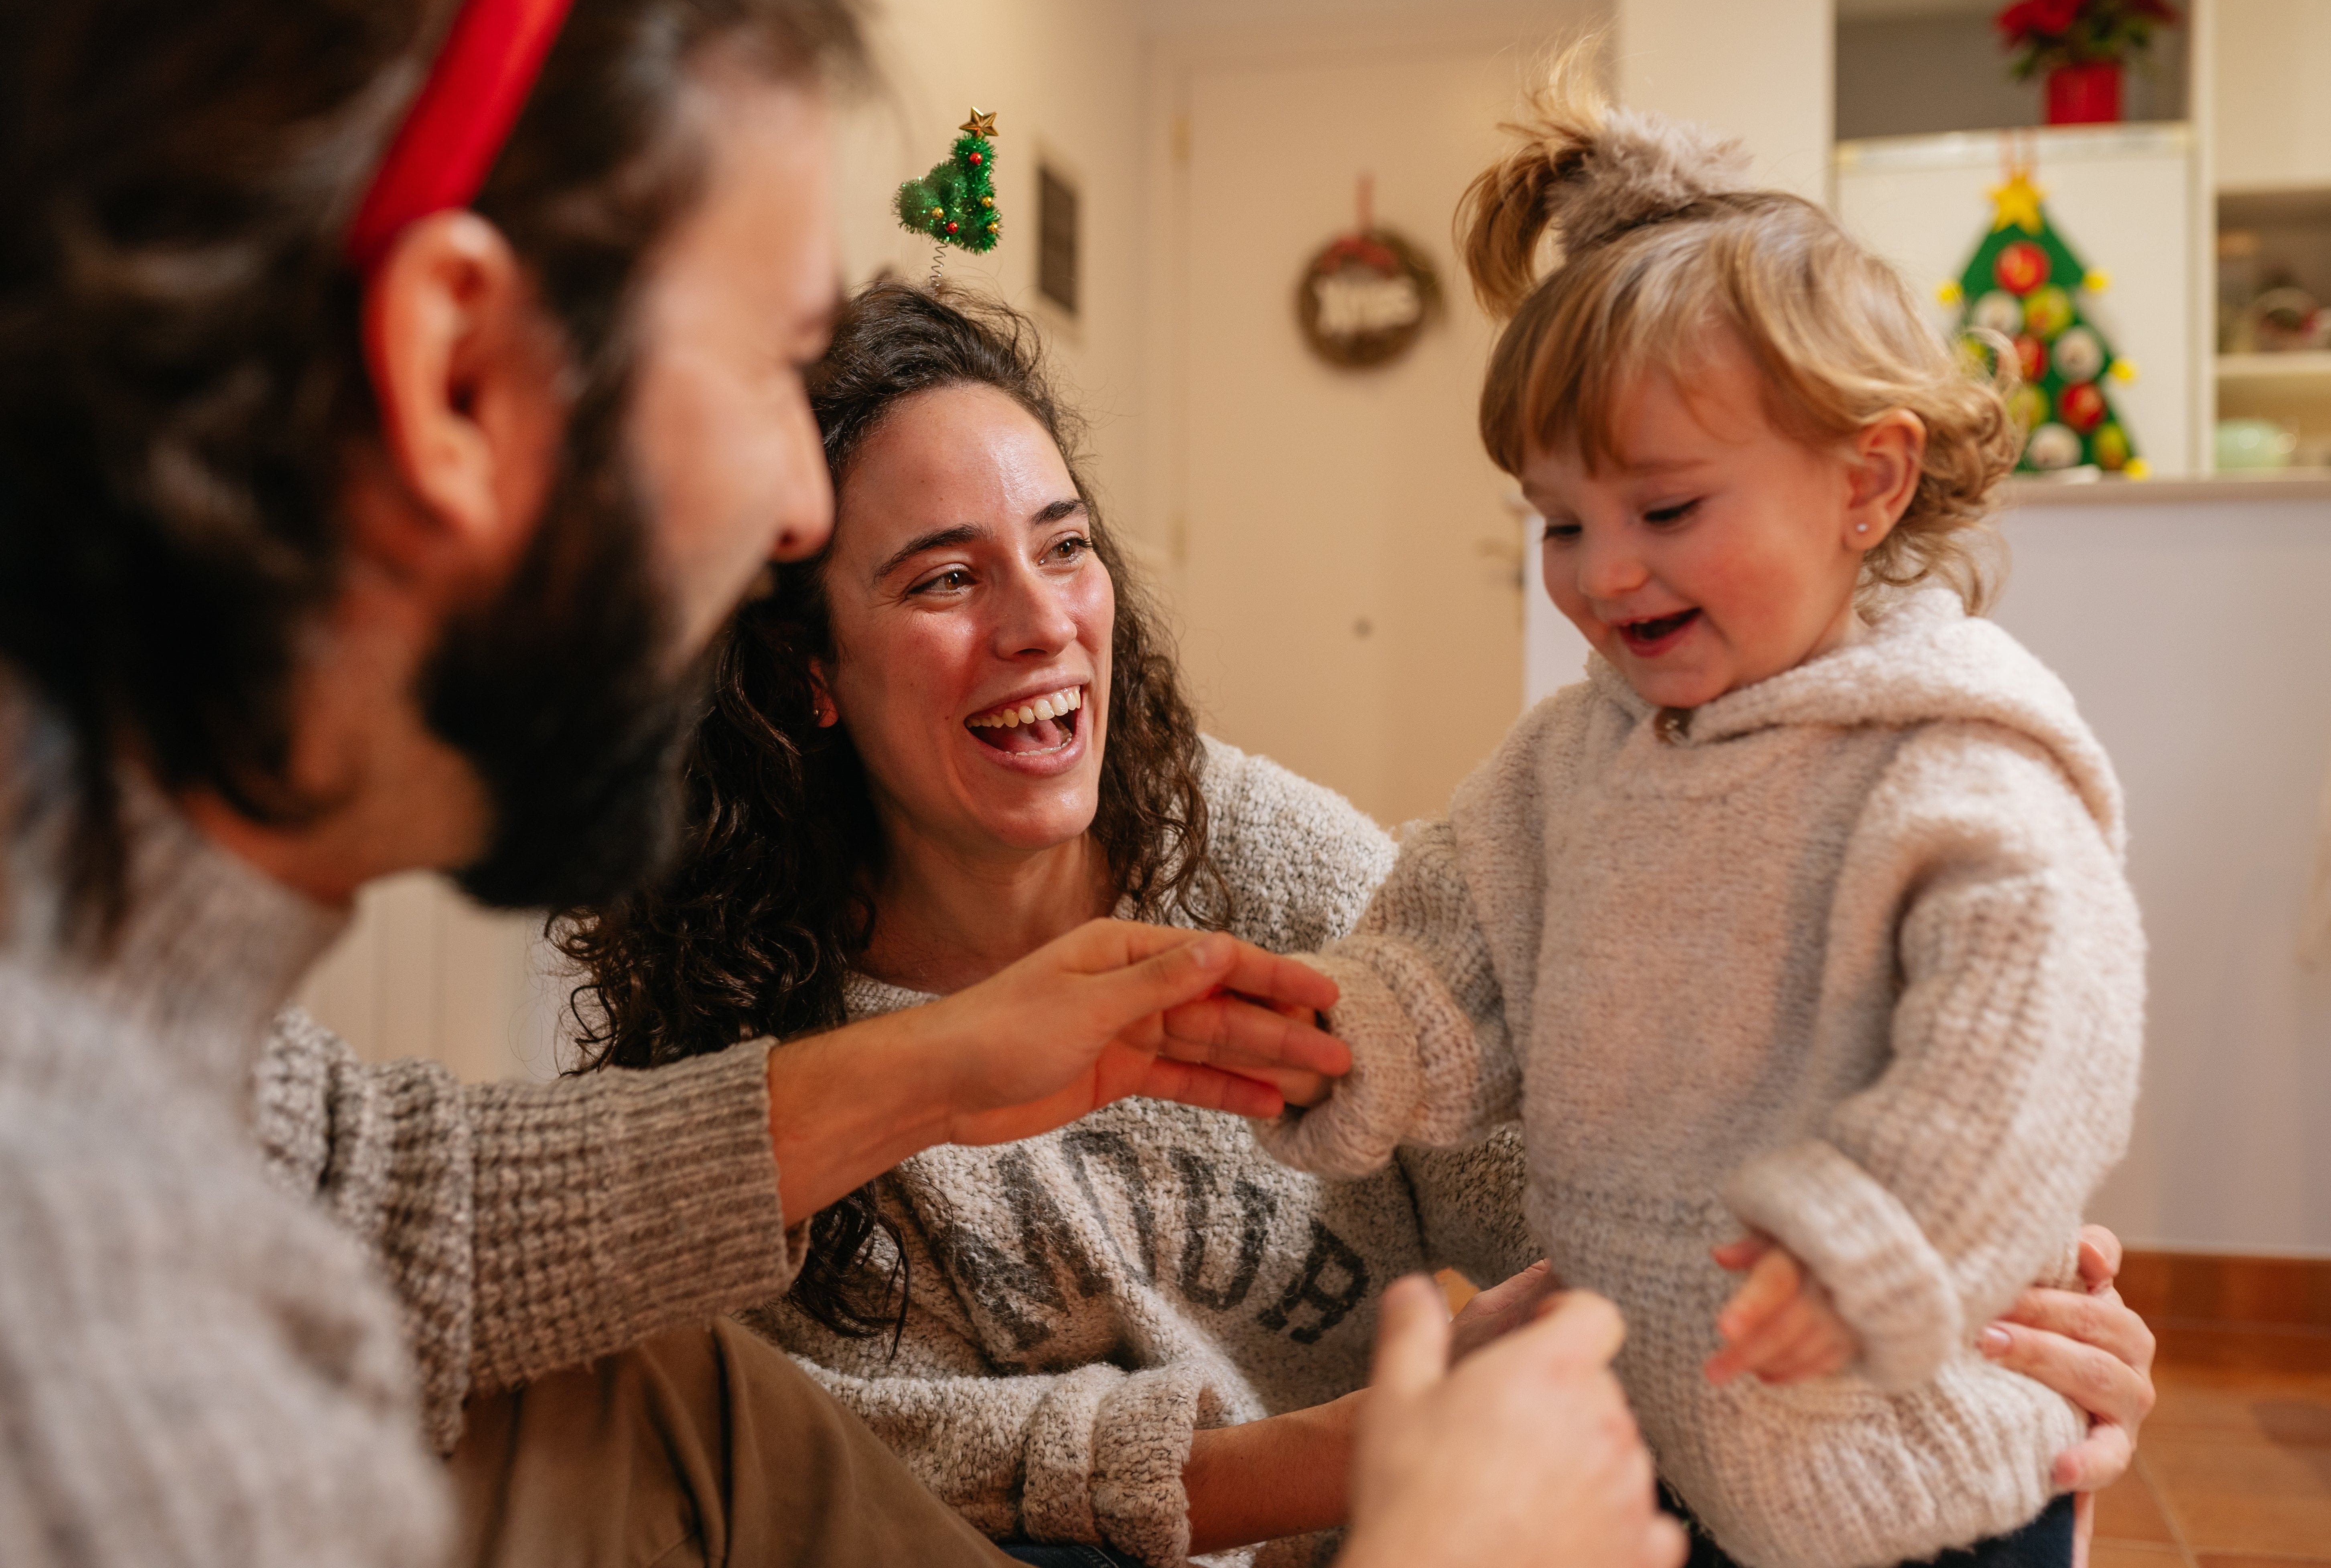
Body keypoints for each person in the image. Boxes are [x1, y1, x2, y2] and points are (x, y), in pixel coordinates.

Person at [1, 0, 1661, 1564]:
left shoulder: (124, 1000)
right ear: (454, 375)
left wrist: (941, 1065)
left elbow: (388, 1190)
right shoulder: (100, 1387)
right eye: (759, 367)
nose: (794, 515)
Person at [555, 284, 2160, 1567]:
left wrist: (1909, 1293)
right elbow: (837, 1462)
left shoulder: (1260, 851)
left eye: (1065, 546)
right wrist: (1311, 1462)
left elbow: (1567, 1185)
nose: (1044, 622)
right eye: (941, 579)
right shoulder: (768, 1052)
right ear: (808, 675)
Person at [1254, 68, 2146, 1568]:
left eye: (1665, 513)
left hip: (1908, 1468)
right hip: (1667, 1432)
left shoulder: (1953, 766)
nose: (1604, 575)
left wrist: (1879, 1239)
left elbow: (2032, 1055)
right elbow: (1461, 947)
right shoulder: (1572, 760)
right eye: (1560, 521)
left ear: (1867, 481)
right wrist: (1348, 1035)